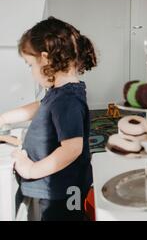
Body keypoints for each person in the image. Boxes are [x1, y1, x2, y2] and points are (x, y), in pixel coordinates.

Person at [0, 17, 97, 220]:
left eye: (30, 65)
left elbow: (72, 149)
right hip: (57, 188)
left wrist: (31, 169)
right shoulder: (59, 92)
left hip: (61, 191)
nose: (31, 72)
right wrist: (4, 118)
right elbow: (40, 107)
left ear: (45, 59)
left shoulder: (67, 100)